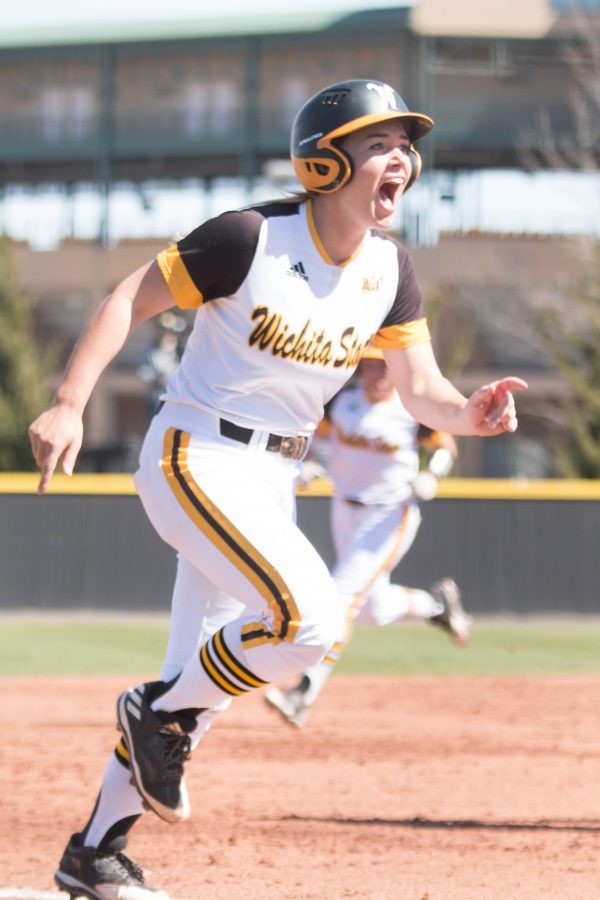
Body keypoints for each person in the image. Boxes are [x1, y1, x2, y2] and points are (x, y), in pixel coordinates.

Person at [28, 78, 526, 899]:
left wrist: (469, 414)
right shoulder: (248, 237)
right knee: (304, 625)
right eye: (380, 143)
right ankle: (156, 713)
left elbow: (423, 388)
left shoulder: (389, 269)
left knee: (201, 689)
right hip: (194, 455)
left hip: (274, 475)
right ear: (326, 161)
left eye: (407, 145)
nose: (401, 157)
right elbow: (129, 297)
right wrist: (70, 402)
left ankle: (94, 852)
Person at [265, 346, 472, 728]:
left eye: (382, 366)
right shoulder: (343, 402)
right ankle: (437, 607)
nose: (374, 373)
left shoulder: (411, 408)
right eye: (369, 366)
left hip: (389, 515)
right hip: (344, 509)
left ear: (395, 371)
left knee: (340, 597)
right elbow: (315, 440)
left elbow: (446, 447)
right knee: (374, 609)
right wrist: (307, 464)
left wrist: (433, 473)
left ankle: (303, 692)